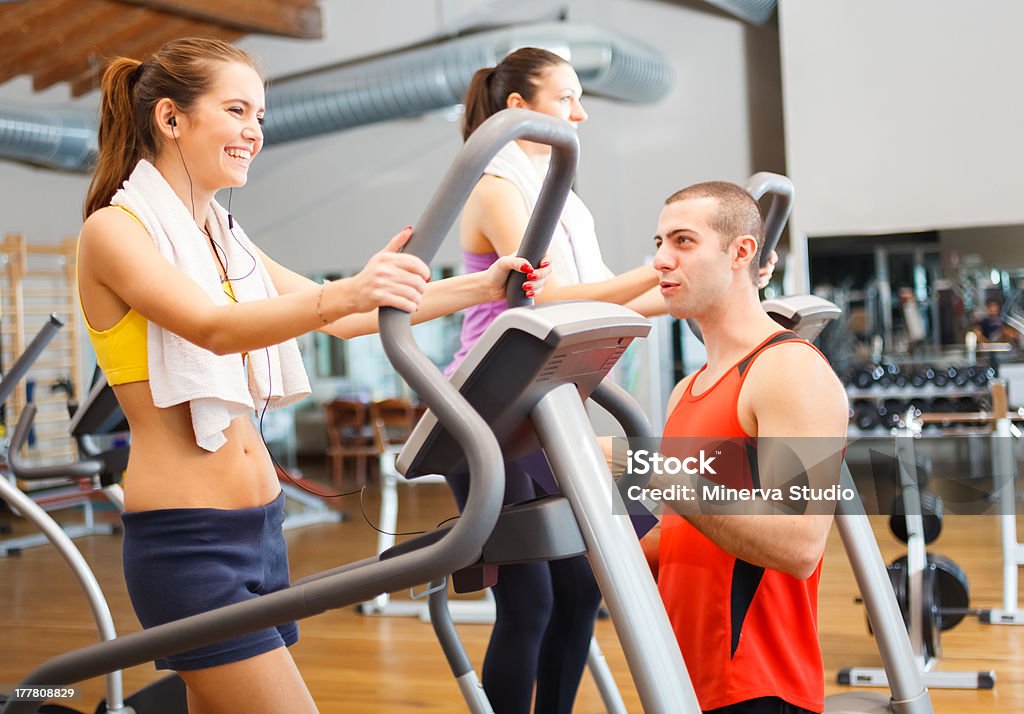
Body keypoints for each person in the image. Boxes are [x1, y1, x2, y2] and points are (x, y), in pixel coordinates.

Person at [77, 37, 549, 714]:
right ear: (170, 118)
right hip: (190, 541)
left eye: (261, 117)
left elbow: (349, 317)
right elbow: (211, 325)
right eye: (237, 110)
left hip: (260, 529)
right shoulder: (114, 230)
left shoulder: (226, 238)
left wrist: (483, 290)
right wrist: (349, 292)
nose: (254, 132)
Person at [449, 48, 779, 714]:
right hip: (487, 408)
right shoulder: (495, 185)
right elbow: (556, 297)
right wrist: (675, 263)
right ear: (519, 111)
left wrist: (718, 280)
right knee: (531, 598)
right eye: (565, 98)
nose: (581, 113)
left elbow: (611, 303)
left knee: (580, 590)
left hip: (545, 406)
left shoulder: (563, 200)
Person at [642, 181, 848, 714]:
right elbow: (686, 535)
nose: (661, 260)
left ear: (742, 252)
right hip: (683, 680)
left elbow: (799, 544)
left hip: (757, 688)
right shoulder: (685, 392)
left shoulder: (787, 369)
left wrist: (644, 467)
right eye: (659, 242)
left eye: (683, 242)